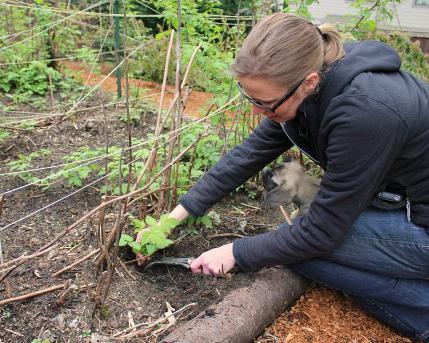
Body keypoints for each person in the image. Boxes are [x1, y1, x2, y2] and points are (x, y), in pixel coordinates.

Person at [144, 12, 429, 342]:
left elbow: (321, 234)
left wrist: (236, 253)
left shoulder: (365, 112)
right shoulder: (308, 80)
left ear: (308, 82)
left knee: (299, 248)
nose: (256, 111)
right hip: (405, 199)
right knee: (293, 242)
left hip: (422, 221)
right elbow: (246, 156)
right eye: (249, 97)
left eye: (264, 103)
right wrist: (170, 220)